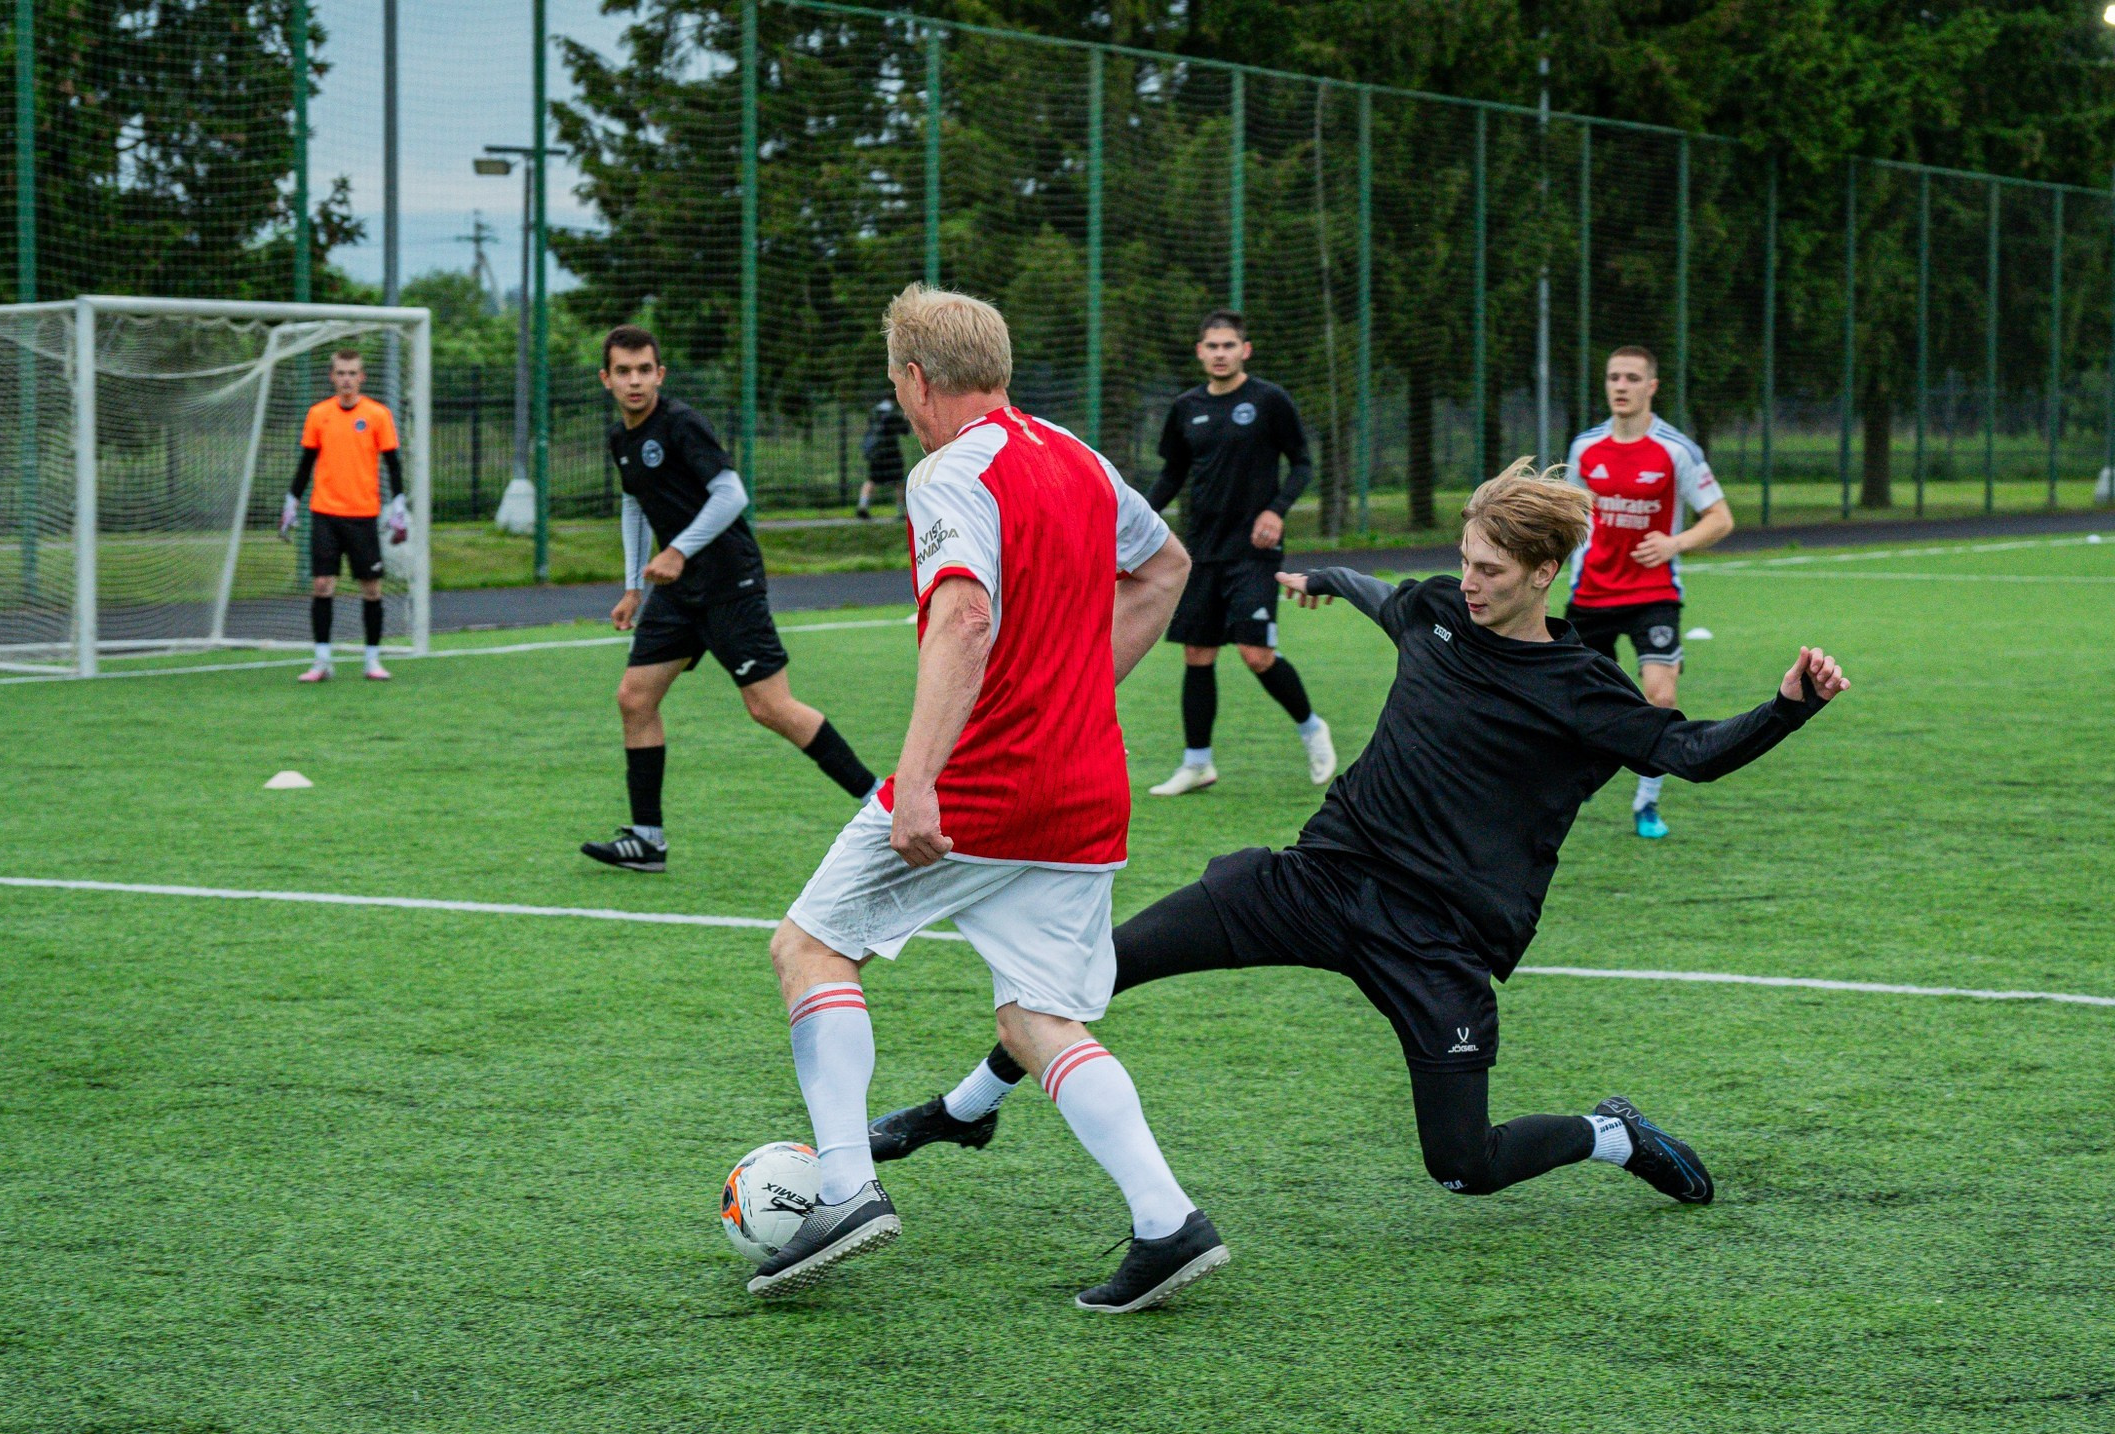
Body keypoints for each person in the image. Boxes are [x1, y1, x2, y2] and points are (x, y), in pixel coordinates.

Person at [865, 460, 1849, 1221]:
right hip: (1317, 880)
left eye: (1491, 570)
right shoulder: (1435, 610)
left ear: (1544, 573)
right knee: (1086, 969)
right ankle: (964, 1109)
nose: (1467, 581)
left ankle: (1609, 1135)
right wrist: (1324, 579)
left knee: (1462, 1168)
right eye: (1464, 558)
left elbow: (1691, 749)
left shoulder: (1582, 689)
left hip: (1439, 940)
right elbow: (1389, 598)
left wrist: (1788, 704)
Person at [749, 284, 1222, 1315]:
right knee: (1036, 1014)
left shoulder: (948, 473)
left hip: (986, 782)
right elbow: (1164, 565)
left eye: (897, 384)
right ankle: (1165, 1219)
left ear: (917, 380)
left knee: (808, 947)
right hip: (1086, 783)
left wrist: (915, 777)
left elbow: (962, 619)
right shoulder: (1077, 455)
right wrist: (1083, 688)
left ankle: (844, 1187)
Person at [579, 327, 878, 873]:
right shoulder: (621, 440)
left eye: (644, 369)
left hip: (726, 582)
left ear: (660, 374)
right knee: (634, 698)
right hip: (675, 592)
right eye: (623, 371)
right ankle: (647, 840)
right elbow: (633, 505)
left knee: (770, 707)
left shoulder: (682, 424)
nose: (634, 380)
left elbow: (730, 494)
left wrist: (679, 551)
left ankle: (881, 805)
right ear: (607, 380)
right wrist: (632, 586)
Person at [1142, 311, 1337, 797]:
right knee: (1198, 653)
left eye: (1229, 345)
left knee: (1256, 654)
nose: (1221, 353)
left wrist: (1276, 510)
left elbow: (1303, 464)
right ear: (1200, 352)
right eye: (1212, 346)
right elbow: (1172, 476)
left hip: (1255, 551)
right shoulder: (1186, 407)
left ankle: (1313, 729)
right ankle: (1197, 764)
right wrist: (1137, 517)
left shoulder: (1269, 401)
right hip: (1201, 552)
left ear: (1245, 350)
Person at [1563, 345, 1734, 839]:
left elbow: (1721, 518)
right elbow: (1569, 513)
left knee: (1660, 696)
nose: (1621, 386)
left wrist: (1675, 542)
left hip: (1652, 593)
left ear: (1652, 387)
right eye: (1614, 377)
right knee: (1577, 699)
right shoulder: (1585, 449)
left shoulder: (1675, 450)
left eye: (1632, 378)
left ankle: (1646, 804)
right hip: (1591, 593)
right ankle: (1584, 772)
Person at [280, 348, 409, 684]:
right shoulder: (318, 414)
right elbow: (306, 462)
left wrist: (398, 503)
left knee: (371, 588)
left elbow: (393, 464)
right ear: (332, 377)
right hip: (324, 512)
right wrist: (292, 500)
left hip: (363, 515)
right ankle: (322, 661)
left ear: (362, 377)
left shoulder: (378, 415)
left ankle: (372, 660)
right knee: (322, 585)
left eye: (353, 373)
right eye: (341, 373)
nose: (347, 379)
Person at [857, 396, 912, 519]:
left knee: (871, 480)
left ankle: (862, 506)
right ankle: (900, 512)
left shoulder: (875, 414)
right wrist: (905, 418)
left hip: (875, 455)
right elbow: (905, 431)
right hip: (891, 454)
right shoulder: (893, 414)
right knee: (898, 482)